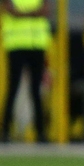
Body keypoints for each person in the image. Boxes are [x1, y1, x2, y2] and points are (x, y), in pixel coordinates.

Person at [1, 0, 50, 143]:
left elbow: (45, 10)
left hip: (36, 44)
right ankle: (5, 130)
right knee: (13, 88)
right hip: (16, 45)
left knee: (36, 90)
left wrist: (21, 13)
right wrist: (34, 13)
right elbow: (9, 9)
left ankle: (40, 132)